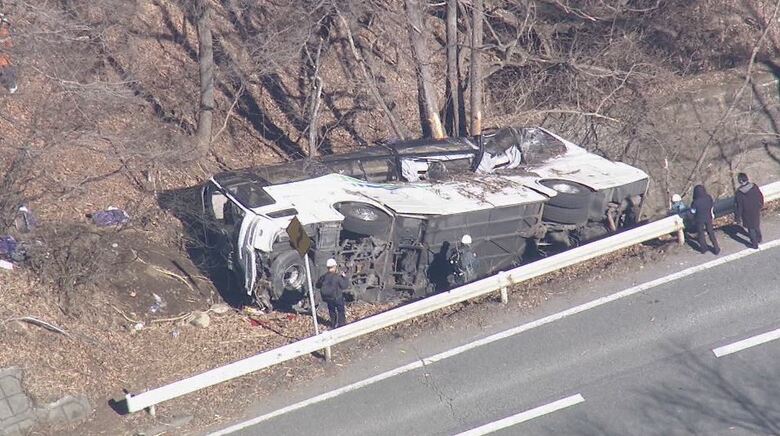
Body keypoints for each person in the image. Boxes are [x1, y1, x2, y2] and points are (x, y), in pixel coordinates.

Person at [316, 258, 349, 328]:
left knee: (332, 311)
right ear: (334, 266)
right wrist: (345, 277)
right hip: (337, 297)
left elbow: (317, 285)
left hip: (328, 298)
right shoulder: (337, 276)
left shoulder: (323, 277)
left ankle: (333, 324)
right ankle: (341, 325)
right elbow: (344, 286)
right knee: (341, 311)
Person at [734, 173, 764, 249]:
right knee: (756, 224)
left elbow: (739, 207)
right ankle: (759, 238)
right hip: (755, 209)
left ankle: (754, 244)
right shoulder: (754, 187)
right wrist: (760, 205)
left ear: (740, 181)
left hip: (746, 213)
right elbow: (760, 196)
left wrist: (737, 217)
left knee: (751, 228)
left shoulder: (739, 193)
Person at [690, 184, 720, 255]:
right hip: (708, 217)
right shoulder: (708, 198)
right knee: (711, 232)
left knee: (701, 233)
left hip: (699, 219)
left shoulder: (695, 201)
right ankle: (716, 247)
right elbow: (711, 206)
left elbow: (692, 211)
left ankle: (704, 248)